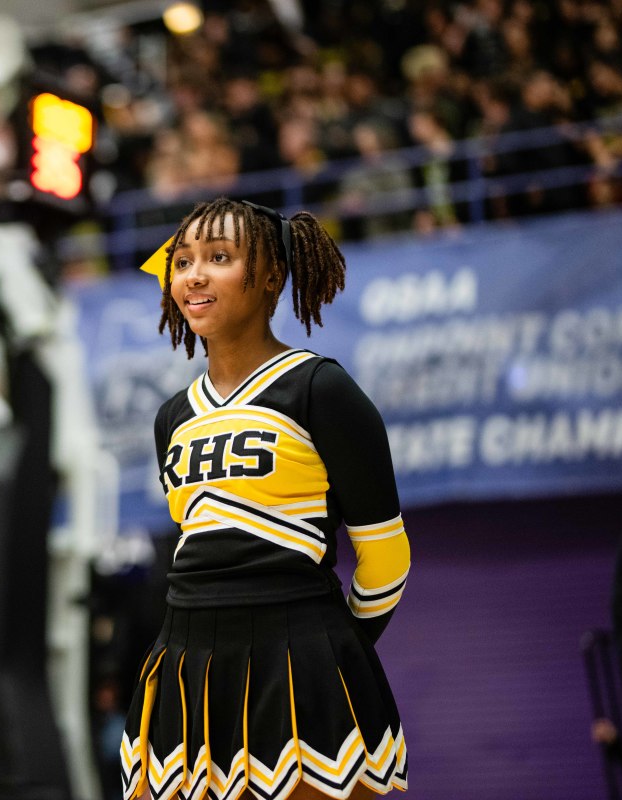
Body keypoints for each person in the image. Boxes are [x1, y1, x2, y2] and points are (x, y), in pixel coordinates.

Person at [123, 199, 410, 800]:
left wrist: (334, 653)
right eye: (182, 262)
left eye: (219, 258)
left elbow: (386, 559)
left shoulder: (321, 388)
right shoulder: (172, 416)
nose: (193, 276)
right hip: (184, 660)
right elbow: (193, 545)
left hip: (300, 654)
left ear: (272, 275)